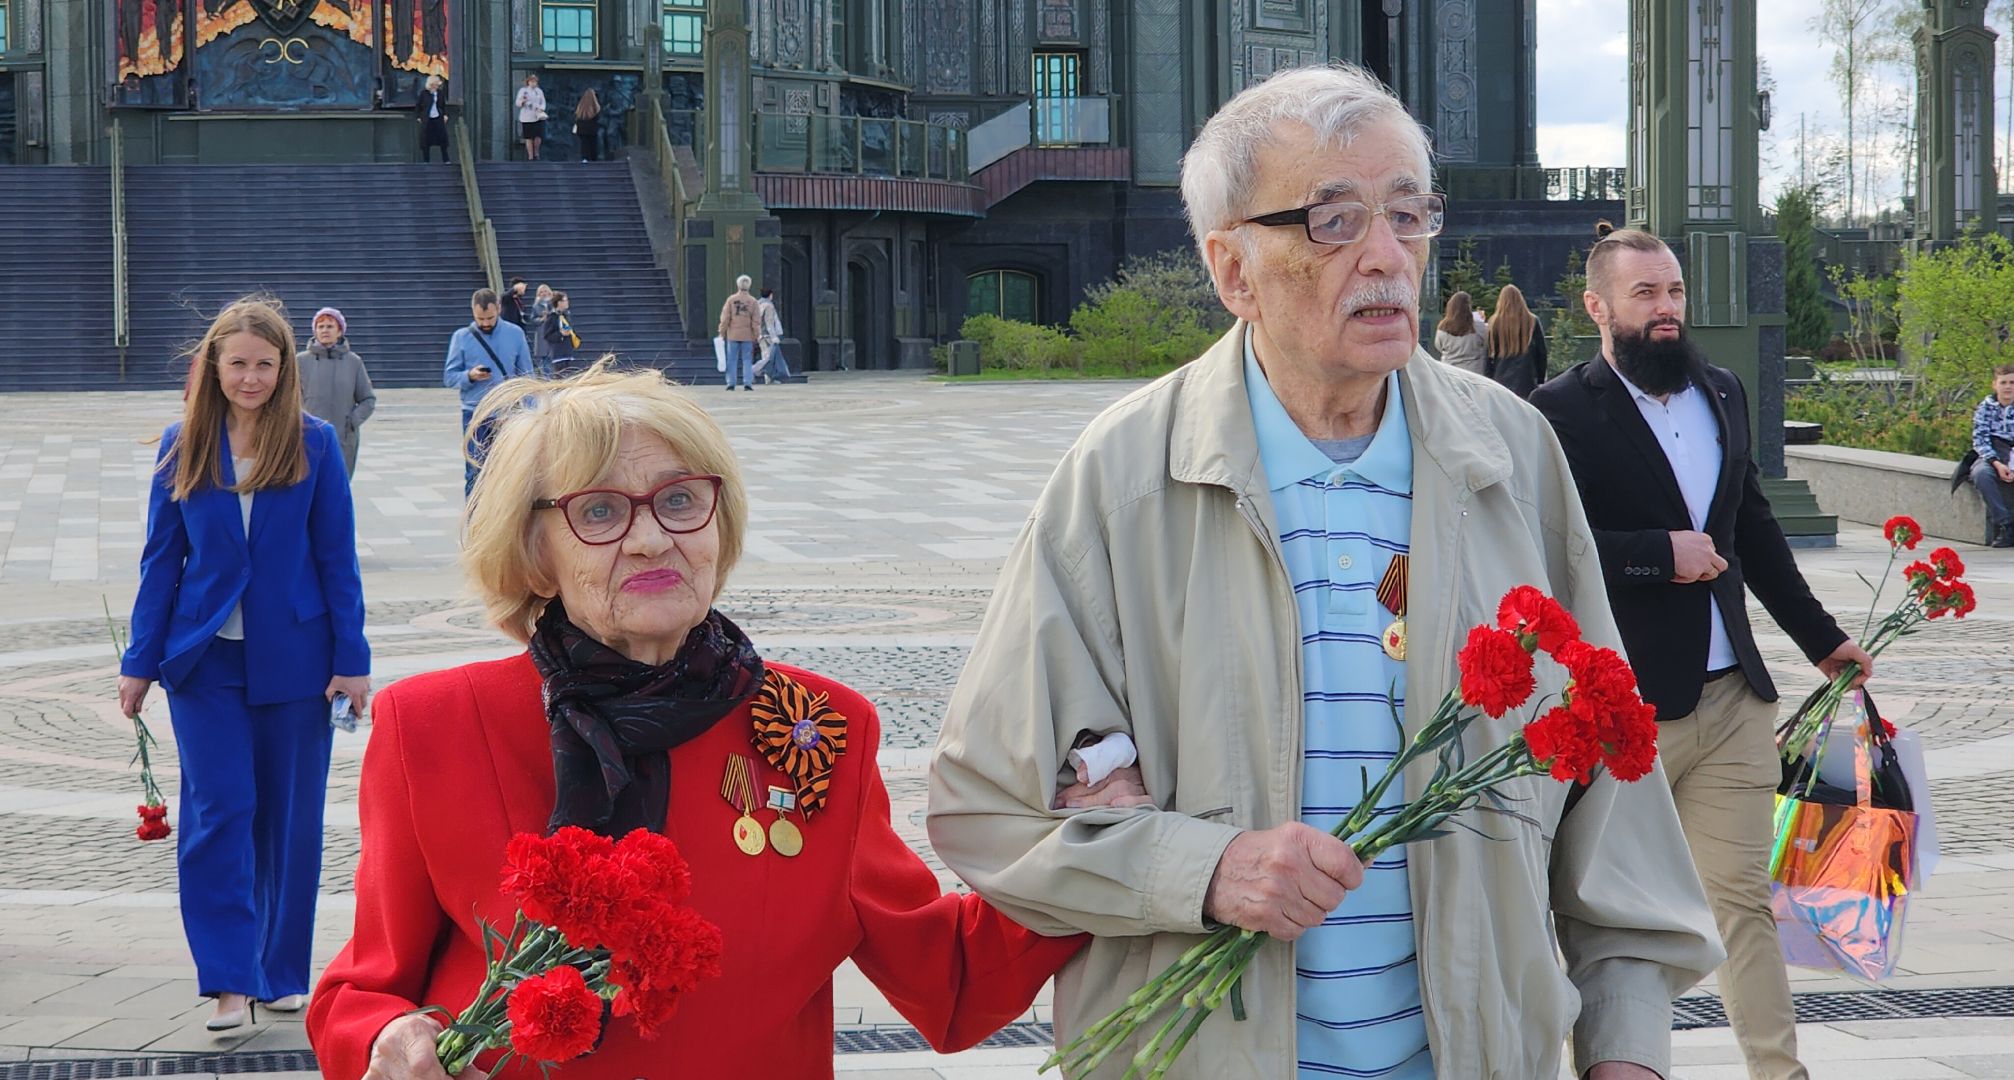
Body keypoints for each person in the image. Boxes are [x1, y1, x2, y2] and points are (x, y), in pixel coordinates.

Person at [927, 64, 1720, 1080]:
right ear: (1232, 269)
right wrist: (1204, 869)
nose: (1387, 256)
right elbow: (984, 804)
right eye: (1333, 222)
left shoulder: (1509, 456)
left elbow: (1609, 783)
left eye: (1408, 214)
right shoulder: (1124, 478)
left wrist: (1625, 1048)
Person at [306, 363, 1146, 1079]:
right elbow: (361, 989)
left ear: (719, 524)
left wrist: (1088, 847)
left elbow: (948, 982)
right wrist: (384, 1036)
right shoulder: (434, 726)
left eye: (679, 500)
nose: (650, 540)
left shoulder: (819, 727)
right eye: (599, 512)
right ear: (535, 553)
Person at [1530, 227, 1878, 1080]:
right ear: (1598, 307)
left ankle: (1779, 1072)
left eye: (1675, 291)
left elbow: (1750, 524)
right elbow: (1547, 544)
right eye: (1646, 293)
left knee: (1742, 903)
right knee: (1605, 912)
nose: (1667, 309)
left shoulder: (1721, 390)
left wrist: (1823, 639)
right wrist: (1659, 553)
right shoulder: (1556, 410)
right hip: (1627, 711)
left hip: (1734, 703)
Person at [117, 297, 371, 1033]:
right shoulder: (183, 444)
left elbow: (337, 558)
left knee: (289, 820)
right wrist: (139, 660)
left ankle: (280, 972)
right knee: (219, 810)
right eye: (238, 364)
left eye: (265, 364)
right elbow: (161, 561)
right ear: (214, 367)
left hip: (297, 660)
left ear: (285, 368)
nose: (251, 377)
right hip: (203, 663)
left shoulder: (316, 444)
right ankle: (229, 977)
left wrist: (352, 660)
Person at [443, 288, 534, 497]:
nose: (485, 323)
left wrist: (531, 412)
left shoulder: (515, 334)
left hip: (507, 413)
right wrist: (469, 375)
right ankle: (475, 517)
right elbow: (449, 377)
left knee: (508, 470)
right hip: (475, 413)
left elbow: (527, 376)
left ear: (499, 309)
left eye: (490, 318)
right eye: (480, 318)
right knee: (475, 471)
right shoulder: (461, 337)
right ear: (472, 312)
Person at [298, 307, 377, 477]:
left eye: (330, 326)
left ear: (339, 331)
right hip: (307, 436)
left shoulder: (354, 362)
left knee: (338, 483)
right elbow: (289, 397)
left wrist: (352, 421)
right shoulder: (300, 361)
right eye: (320, 326)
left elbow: (368, 399)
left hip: (342, 437)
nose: (325, 330)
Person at [1968, 364, 2014, 547]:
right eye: (2003, 383)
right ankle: (2006, 524)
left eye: (2012, 382)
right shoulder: (1985, 408)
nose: (2008, 387)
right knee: (1981, 474)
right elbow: (1980, 439)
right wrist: (1996, 463)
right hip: (1993, 453)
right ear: (1995, 385)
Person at [1483, 283, 1547, 398]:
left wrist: (1487, 379)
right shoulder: (1532, 321)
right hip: (1526, 378)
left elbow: (1488, 356)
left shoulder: (1494, 322)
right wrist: (1540, 378)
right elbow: (1541, 352)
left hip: (1500, 378)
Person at [717, 275, 760, 391]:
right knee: (747, 360)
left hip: (733, 334)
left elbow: (725, 318)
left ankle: (731, 383)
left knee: (731, 359)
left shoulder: (731, 300)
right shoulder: (753, 301)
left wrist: (722, 332)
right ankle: (748, 383)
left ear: (738, 285)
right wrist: (757, 335)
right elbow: (756, 321)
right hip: (747, 335)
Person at [1432, 289, 1486, 375]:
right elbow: (1487, 345)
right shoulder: (1479, 327)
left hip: (1449, 371)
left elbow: (1439, 346)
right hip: (1474, 372)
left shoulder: (1442, 327)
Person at [754, 286, 793, 384]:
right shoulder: (769, 306)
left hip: (760, 335)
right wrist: (774, 336)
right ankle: (754, 371)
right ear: (770, 295)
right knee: (769, 358)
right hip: (768, 335)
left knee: (766, 356)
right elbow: (769, 323)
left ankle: (768, 377)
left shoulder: (757, 305)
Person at [540, 290, 579, 374]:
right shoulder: (552, 317)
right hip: (558, 353)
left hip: (567, 351)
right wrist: (560, 334)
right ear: (559, 302)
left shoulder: (566, 315)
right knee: (560, 376)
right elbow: (547, 335)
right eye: (565, 300)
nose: (567, 302)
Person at [416, 75, 451, 163]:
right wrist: (419, 116)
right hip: (427, 119)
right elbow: (418, 106)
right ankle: (426, 160)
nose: (437, 85)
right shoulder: (424, 93)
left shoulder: (440, 93)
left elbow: (443, 105)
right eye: (436, 83)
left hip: (438, 117)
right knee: (426, 140)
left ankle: (446, 159)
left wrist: (445, 114)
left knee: (442, 138)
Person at [514, 74, 546, 161]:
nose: (533, 83)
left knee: (538, 136)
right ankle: (530, 155)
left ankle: (536, 152)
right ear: (528, 82)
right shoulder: (523, 91)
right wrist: (522, 102)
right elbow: (518, 103)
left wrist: (541, 108)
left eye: (535, 82)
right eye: (531, 81)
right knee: (528, 137)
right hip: (526, 117)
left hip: (537, 116)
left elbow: (543, 102)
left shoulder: (539, 91)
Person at [574, 88, 602, 163]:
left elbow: (577, 116)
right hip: (592, 129)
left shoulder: (580, 106)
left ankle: (585, 158)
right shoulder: (596, 106)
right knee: (593, 144)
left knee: (584, 144)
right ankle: (593, 159)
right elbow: (598, 116)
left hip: (582, 129)